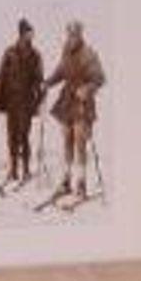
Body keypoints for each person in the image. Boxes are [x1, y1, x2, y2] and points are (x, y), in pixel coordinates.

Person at [44, 19, 105, 202]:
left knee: (80, 142)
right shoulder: (66, 52)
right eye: (69, 34)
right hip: (67, 102)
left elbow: (99, 78)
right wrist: (48, 82)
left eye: (75, 34)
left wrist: (87, 89)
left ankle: (81, 183)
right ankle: (66, 181)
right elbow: (60, 72)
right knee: (67, 141)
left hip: (82, 104)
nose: (72, 37)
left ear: (80, 34)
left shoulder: (89, 54)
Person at [0, 18, 45, 187]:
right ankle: (13, 169)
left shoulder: (36, 55)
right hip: (11, 101)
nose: (31, 35)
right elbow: (1, 76)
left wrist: (40, 96)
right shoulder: (10, 52)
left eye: (31, 32)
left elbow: (39, 78)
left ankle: (26, 169)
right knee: (12, 136)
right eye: (28, 32)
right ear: (22, 33)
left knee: (24, 135)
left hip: (27, 101)